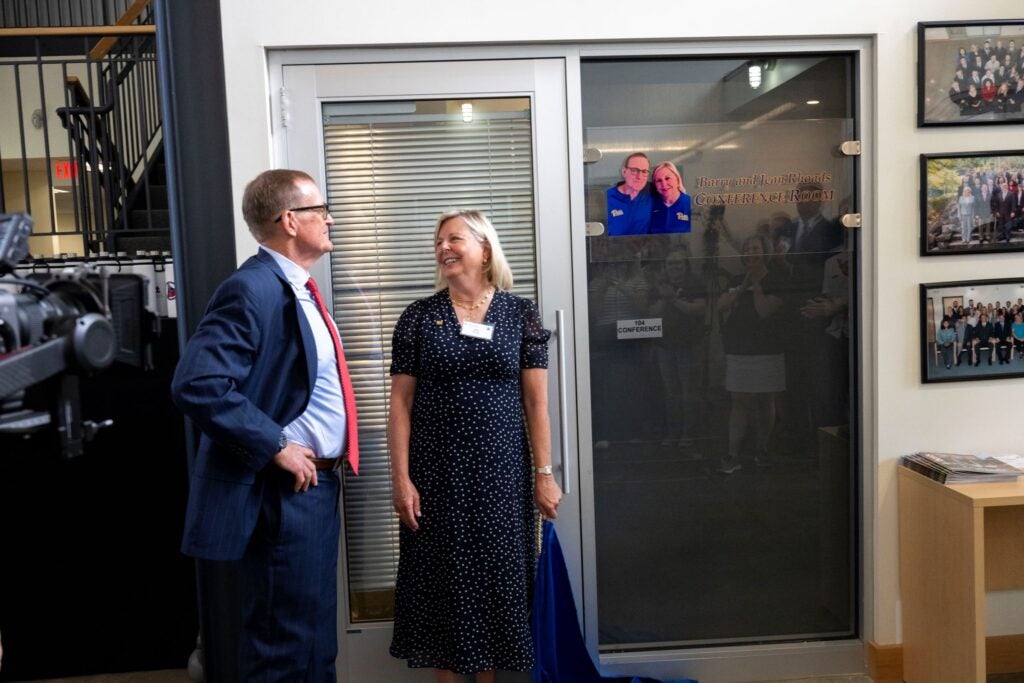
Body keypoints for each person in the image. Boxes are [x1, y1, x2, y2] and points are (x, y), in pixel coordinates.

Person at [171, 169, 358, 680]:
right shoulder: (251, 289)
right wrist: (276, 443)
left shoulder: (295, 287)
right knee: (284, 645)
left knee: (313, 640)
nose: (330, 218)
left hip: (315, 487)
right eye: (321, 210)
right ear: (291, 220)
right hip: (283, 493)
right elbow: (197, 383)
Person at [388, 209, 563, 682]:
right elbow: (400, 406)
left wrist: (544, 475)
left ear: (484, 249)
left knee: (495, 587)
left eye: (454, 239)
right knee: (447, 589)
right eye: (438, 241)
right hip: (436, 476)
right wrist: (401, 480)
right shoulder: (419, 317)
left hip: (502, 475)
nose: (443, 247)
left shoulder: (518, 313)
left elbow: (536, 402)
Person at [716, 236, 785, 473]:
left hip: (768, 348)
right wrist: (744, 283)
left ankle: (762, 448)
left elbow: (764, 310)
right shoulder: (736, 279)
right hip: (739, 349)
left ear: (764, 252)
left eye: (755, 248)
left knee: (766, 400)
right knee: (739, 400)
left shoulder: (776, 279)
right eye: (747, 250)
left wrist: (756, 285)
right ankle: (732, 453)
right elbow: (721, 306)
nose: (751, 253)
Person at [606, 152, 653, 236]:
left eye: (644, 171)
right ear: (624, 172)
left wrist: (680, 187)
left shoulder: (652, 195)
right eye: (634, 170)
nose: (639, 176)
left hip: (643, 248)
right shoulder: (607, 198)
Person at [650, 161, 693, 234]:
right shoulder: (650, 206)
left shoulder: (690, 204)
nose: (664, 184)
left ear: (677, 179)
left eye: (667, 178)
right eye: (659, 181)